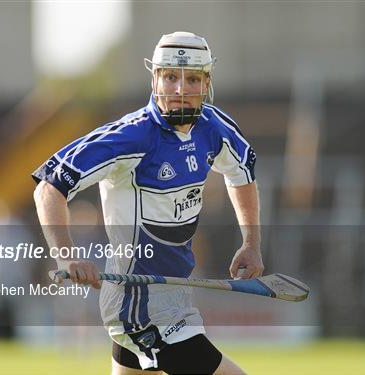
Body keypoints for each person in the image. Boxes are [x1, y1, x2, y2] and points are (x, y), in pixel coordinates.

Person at [33, 31, 263, 375]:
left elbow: (240, 174)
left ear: (207, 82)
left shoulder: (214, 127)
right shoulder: (130, 136)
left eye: (192, 78)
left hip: (172, 295)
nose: (180, 88)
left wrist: (251, 242)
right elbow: (49, 188)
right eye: (170, 77)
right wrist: (66, 254)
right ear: (155, 78)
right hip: (137, 303)